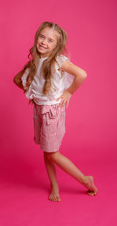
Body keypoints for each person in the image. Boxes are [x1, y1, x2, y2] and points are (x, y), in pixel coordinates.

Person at [13, 21, 97, 202]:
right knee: (47, 150)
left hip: (52, 111)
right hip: (40, 109)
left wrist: (69, 92)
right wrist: (33, 94)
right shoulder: (35, 61)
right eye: (42, 37)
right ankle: (54, 186)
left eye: (50, 40)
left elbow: (81, 74)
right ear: (37, 37)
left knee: (52, 152)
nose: (44, 42)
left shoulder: (58, 61)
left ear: (57, 45)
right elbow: (18, 79)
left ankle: (85, 179)